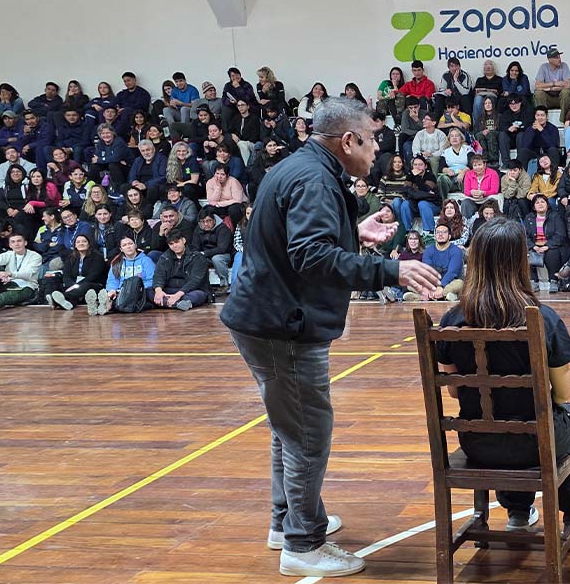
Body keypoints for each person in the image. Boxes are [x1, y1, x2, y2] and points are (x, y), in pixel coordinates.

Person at [220, 98, 439, 577]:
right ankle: (302, 544)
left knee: (289, 427)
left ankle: (286, 523)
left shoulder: (301, 167)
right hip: (282, 325)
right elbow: (311, 257)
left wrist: (351, 232)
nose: (378, 149)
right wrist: (391, 271)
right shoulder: (316, 180)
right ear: (349, 141)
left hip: (266, 317)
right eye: (373, 139)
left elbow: (297, 241)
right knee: (307, 433)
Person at [435, 216, 570, 532]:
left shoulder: (451, 321)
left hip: (476, 442)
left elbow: (454, 391)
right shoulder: (542, 318)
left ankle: (518, 513)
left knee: (499, 418)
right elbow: (562, 394)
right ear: (520, 262)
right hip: (535, 444)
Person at [403, 222, 464, 301]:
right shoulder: (428, 251)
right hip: (432, 284)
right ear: (435, 236)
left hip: (449, 282)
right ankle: (445, 296)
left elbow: (452, 273)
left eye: (443, 232)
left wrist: (441, 286)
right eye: (438, 232)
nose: (440, 234)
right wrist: (430, 287)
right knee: (411, 282)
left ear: (449, 236)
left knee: (460, 284)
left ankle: (422, 297)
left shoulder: (456, 251)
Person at [0, 232, 42, 313]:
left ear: (25, 243)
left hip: (26, 287)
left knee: (4, 297)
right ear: (10, 245)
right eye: (13, 242)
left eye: (19, 241)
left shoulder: (35, 256)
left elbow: (28, 274)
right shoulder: (9, 254)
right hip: (9, 283)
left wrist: (10, 274)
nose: (16, 244)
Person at [150, 231, 210, 310]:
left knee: (197, 295)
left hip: (189, 290)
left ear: (184, 240)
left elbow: (195, 281)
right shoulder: (165, 257)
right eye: (171, 244)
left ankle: (167, 303)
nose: (175, 246)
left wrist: (178, 295)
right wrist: (159, 291)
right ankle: (178, 304)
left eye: (177, 242)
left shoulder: (197, 256)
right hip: (170, 289)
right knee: (149, 292)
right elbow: (158, 275)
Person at [46, 233, 106, 311]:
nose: (81, 243)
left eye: (84, 241)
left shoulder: (97, 257)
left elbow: (93, 276)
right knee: (57, 282)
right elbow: (66, 275)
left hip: (93, 284)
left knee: (85, 286)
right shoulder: (70, 257)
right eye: (78, 242)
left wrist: (75, 286)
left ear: (89, 244)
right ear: (75, 245)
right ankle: (69, 303)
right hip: (75, 286)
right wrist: (72, 285)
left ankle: (59, 299)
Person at [524, 193, 566, 291]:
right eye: (537, 203)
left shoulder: (555, 216)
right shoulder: (529, 217)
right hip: (535, 245)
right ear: (534, 207)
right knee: (527, 253)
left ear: (547, 204)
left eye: (542, 202)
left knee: (552, 253)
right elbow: (524, 236)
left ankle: (553, 280)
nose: (540, 204)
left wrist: (547, 246)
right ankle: (533, 281)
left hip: (550, 245)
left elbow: (560, 235)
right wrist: (533, 246)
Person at [191, 209, 235, 291]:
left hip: (224, 255)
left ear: (214, 220)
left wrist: (204, 253)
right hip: (206, 255)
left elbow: (222, 249)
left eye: (208, 221)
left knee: (217, 258)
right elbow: (195, 246)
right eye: (202, 222)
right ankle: (200, 285)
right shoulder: (198, 229)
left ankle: (224, 284)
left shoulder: (223, 229)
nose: (205, 224)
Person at [534, 49, 570, 119]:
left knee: (566, 92)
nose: (559, 59)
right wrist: (554, 84)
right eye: (556, 58)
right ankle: (543, 119)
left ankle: (563, 119)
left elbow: (567, 85)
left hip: (561, 99)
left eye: (559, 57)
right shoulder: (543, 67)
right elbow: (537, 85)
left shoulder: (564, 65)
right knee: (538, 93)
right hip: (548, 99)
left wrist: (548, 88)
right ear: (549, 59)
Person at [495, 95, 532, 167]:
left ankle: (520, 162)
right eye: (511, 104)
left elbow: (529, 126)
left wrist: (519, 128)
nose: (514, 106)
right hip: (510, 140)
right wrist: (508, 129)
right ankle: (506, 163)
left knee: (521, 135)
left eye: (516, 103)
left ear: (520, 103)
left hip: (522, 139)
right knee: (502, 135)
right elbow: (501, 127)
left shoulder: (526, 112)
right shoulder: (506, 114)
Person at [460, 154, 500, 218]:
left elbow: (494, 190)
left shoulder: (493, 173)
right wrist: (471, 192)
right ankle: (466, 222)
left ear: (484, 164)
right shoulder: (468, 174)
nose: (477, 167)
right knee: (465, 203)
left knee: (494, 200)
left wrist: (483, 193)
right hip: (473, 199)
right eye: (475, 165)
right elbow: (466, 191)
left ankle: (492, 221)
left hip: (487, 199)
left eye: (479, 164)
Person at [471, 60, 503, 130]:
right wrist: (490, 90)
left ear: (494, 68)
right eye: (486, 65)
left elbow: (500, 92)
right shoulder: (479, 80)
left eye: (490, 65)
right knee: (478, 100)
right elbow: (475, 92)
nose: (488, 67)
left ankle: (491, 124)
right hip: (480, 97)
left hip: (493, 98)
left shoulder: (499, 79)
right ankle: (478, 125)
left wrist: (484, 90)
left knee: (488, 100)